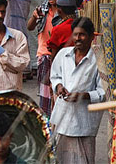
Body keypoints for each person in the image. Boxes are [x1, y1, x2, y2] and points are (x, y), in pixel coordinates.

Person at [48, 17, 104, 163]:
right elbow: (55, 76)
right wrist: (59, 87)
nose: (78, 38)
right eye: (75, 34)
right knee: (61, 158)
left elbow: (103, 92)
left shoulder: (98, 61)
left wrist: (83, 95)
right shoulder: (63, 55)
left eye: (82, 34)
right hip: (62, 118)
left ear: (92, 36)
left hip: (84, 122)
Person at [27, 0, 66, 115]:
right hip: (44, 55)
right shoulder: (42, 9)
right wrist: (34, 17)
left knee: (60, 91)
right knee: (45, 93)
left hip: (61, 56)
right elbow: (30, 27)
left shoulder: (66, 12)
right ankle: (46, 123)